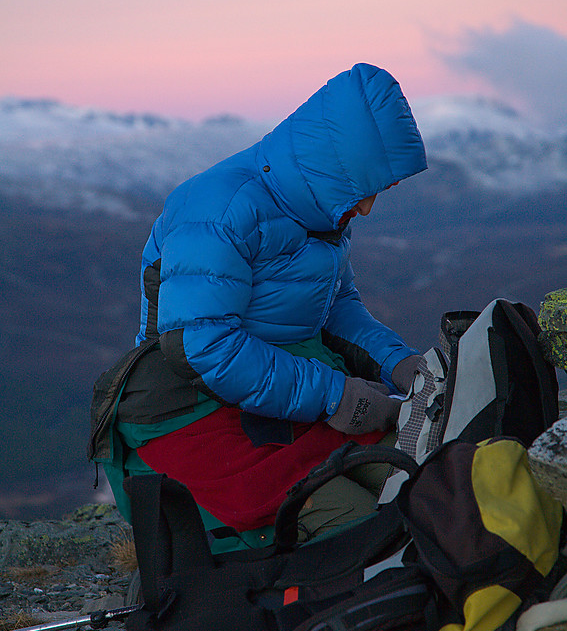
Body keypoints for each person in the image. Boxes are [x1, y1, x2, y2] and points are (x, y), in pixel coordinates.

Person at [110, 62, 427, 544]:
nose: (366, 209)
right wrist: (337, 396)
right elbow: (203, 348)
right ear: (333, 167)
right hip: (192, 409)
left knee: (419, 483)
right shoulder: (218, 209)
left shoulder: (323, 209)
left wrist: (401, 365)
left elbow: (337, 307)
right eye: (365, 192)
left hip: (283, 394)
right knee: (366, 528)